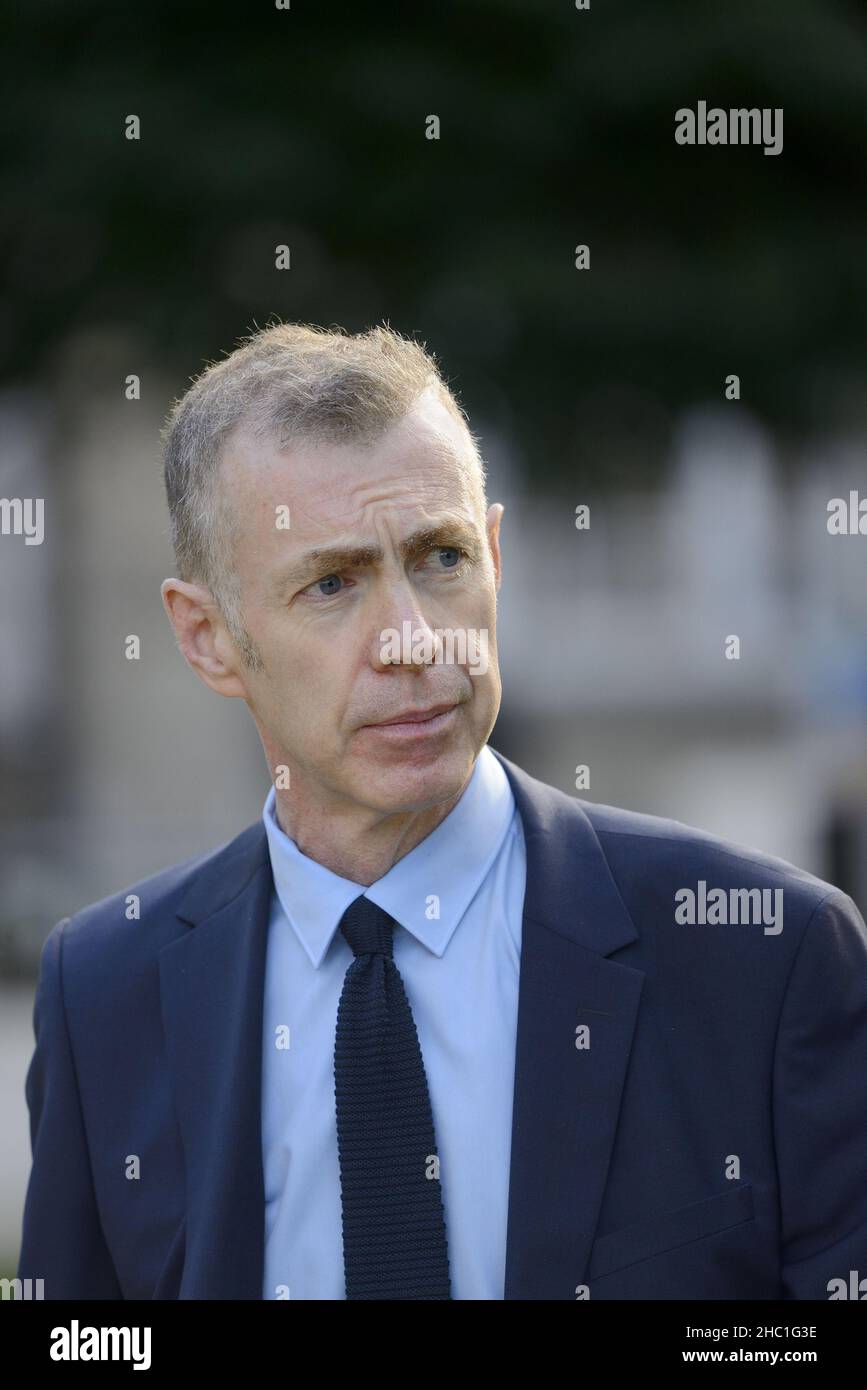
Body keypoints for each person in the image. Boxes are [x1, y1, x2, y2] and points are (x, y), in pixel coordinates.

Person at [17, 322, 867, 1299]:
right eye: (332, 583)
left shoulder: (764, 955)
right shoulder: (105, 990)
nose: (414, 640)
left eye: (441, 557)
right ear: (207, 636)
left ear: (496, 555)